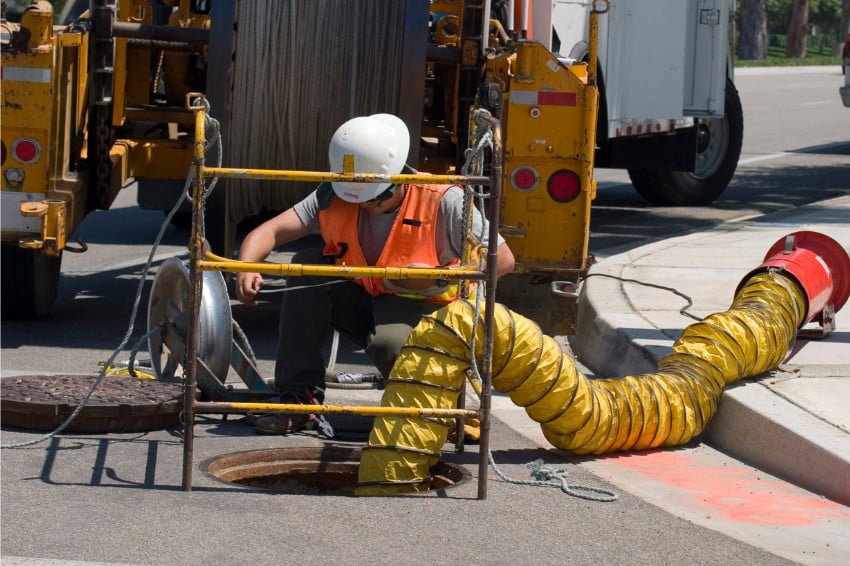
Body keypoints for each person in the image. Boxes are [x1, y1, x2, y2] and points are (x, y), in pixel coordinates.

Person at [235, 113, 515, 434]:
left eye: (373, 197)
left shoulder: (442, 199)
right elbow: (269, 232)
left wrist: (439, 276)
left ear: (398, 178)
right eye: (356, 197)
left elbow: (504, 259)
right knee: (306, 267)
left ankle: (434, 408)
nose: (364, 205)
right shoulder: (337, 193)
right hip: (364, 297)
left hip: (422, 306)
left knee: (390, 346)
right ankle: (299, 401)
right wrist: (247, 267)